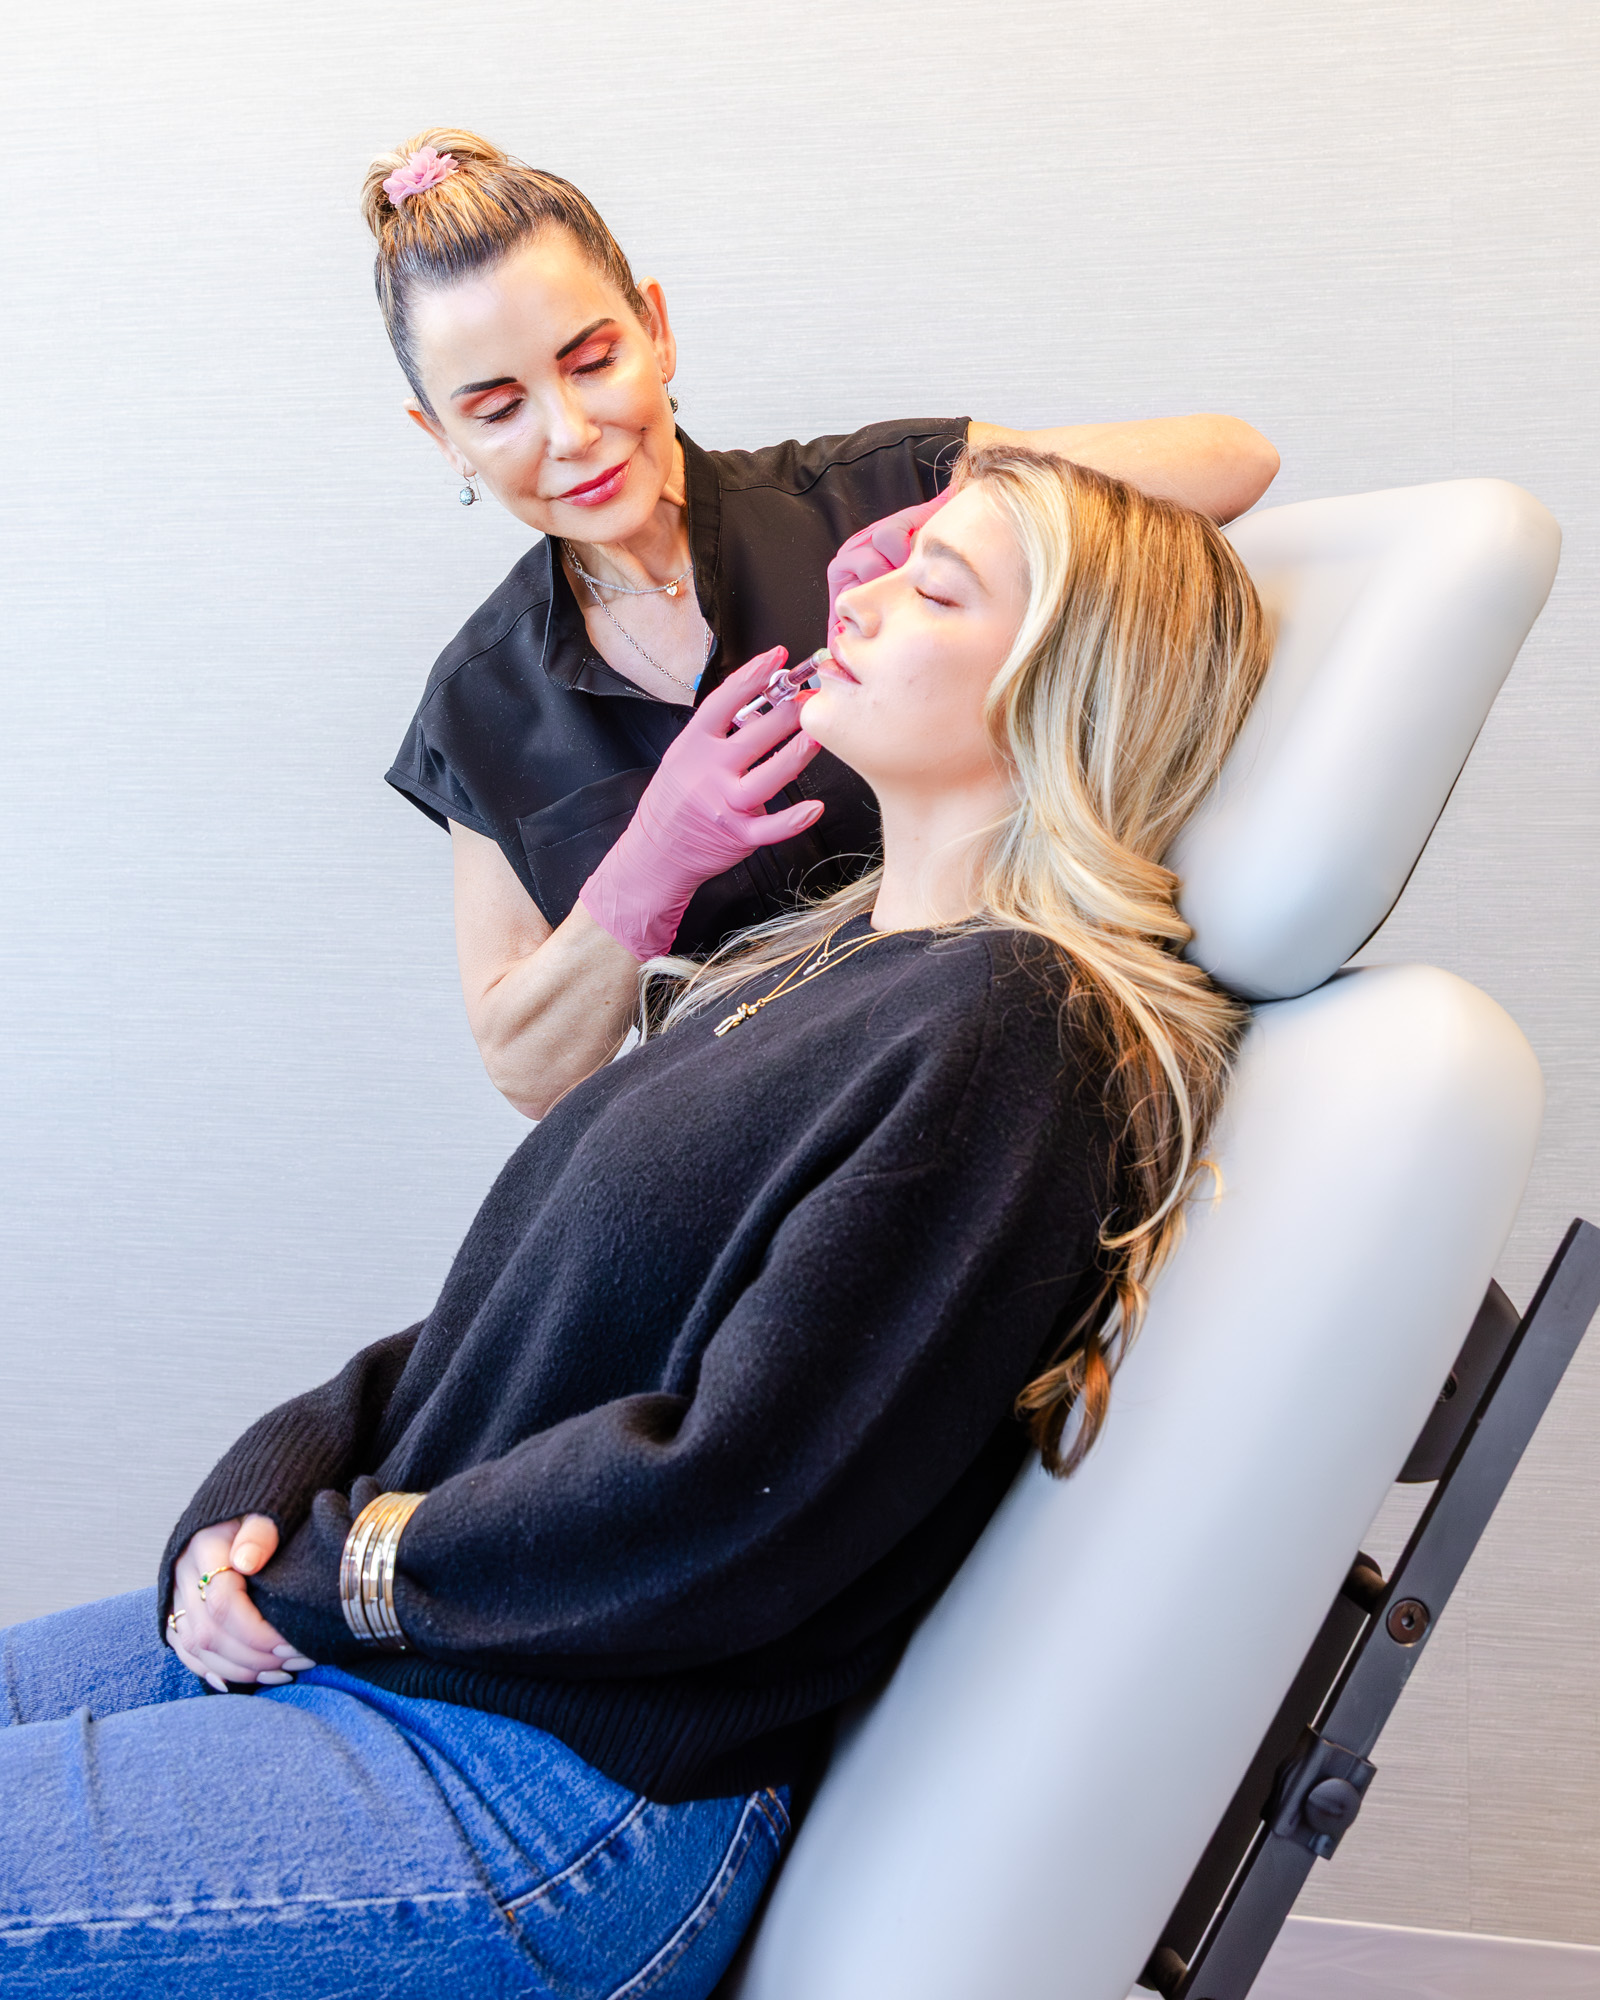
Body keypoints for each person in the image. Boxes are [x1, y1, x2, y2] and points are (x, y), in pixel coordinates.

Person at [0, 448, 1270, 1999]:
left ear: (1065, 691)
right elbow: (503, 1319)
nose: (856, 588)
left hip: (559, 1790)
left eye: (935, 585)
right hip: (429, 1653)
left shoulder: (1013, 1031)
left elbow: (741, 1492)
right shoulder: (817, 960)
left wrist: (341, 1573)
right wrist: (254, 1501)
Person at [371, 128, 1281, 1116]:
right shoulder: (482, 703)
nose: (571, 433)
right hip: (774, 1134)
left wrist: (955, 523)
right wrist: (646, 869)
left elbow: (1232, 460)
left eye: (591, 360)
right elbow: (527, 1070)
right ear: (444, 439)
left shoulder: (863, 491)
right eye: (499, 409)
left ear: (655, 330)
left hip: (1023, 1063)